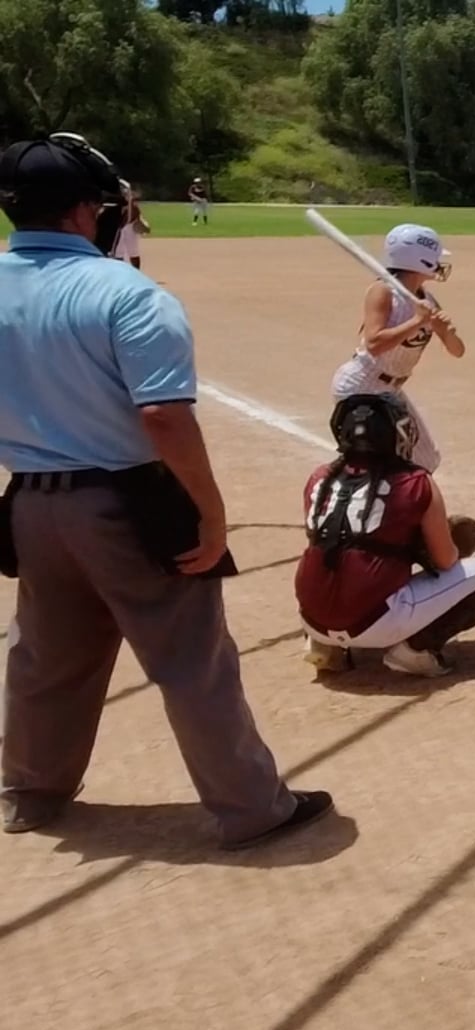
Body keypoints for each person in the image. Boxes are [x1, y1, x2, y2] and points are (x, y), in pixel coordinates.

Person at [0, 134, 331, 849]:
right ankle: (252, 809)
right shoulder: (124, 291)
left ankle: (29, 792)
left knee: (45, 657)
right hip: (128, 502)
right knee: (191, 661)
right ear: (86, 210)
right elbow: (163, 416)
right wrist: (210, 512)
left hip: (30, 501)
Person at [296, 394, 475, 678]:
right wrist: (420, 548)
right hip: (377, 622)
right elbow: (446, 560)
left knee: (332, 561)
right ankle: (413, 651)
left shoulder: (320, 477)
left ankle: (325, 645)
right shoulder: (415, 481)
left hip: (311, 616)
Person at [328, 224, 463, 473]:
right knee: (377, 463)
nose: (439, 264)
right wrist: (417, 322)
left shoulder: (426, 300)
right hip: (361, 385)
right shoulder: (382, 292)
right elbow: (374, 343)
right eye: (435, 258)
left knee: (425, 459)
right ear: (420, 260)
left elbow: (458, 351)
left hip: (391, 390)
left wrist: (446, 333)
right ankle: (338, 492)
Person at [109, 181, 150, 271]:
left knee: (132, 252)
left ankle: (136, 272)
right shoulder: (118, 198)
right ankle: (120, 271)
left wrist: (139, 220)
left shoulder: (131, 199)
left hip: (129, 226)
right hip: (122, 226)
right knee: (118, 253)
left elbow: (135, 209)